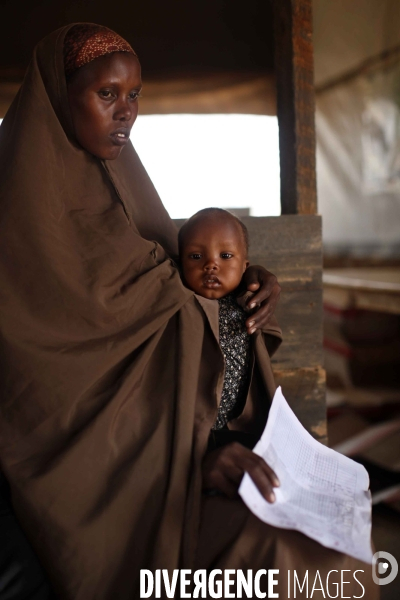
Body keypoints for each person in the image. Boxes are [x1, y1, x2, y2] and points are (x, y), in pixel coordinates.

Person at [0, 23, 378, 600]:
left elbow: (180, 282)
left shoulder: (126, 190)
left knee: (340, 559)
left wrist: (246, 283)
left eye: (134, 97)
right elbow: (48, 401)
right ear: (57, 95)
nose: (125, 113)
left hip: (200, 450)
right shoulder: (17, 227)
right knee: (287, 564)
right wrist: (187, 466)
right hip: (127, 493)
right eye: (107, 95)